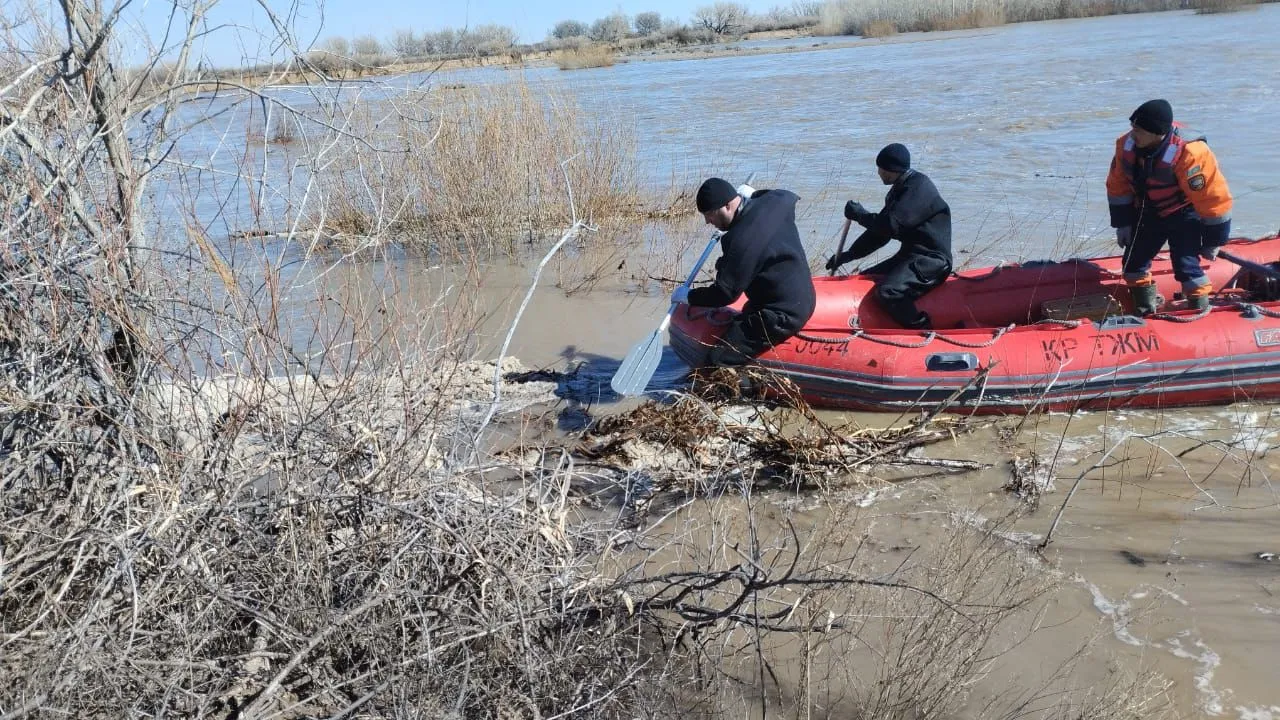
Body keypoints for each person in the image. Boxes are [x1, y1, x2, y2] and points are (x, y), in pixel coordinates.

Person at [673, 177, 816, 367]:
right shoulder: (775, 202)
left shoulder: (741, 241)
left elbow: (725, 293)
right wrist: (754, 194)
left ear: (727, 206)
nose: (707, 221)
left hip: (782, 314)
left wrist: (690, 296)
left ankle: (745, 392)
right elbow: (786, 196)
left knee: (716, 361)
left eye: (709, 214)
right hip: (799, 298)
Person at [1107, 99, 1233, 313]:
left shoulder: (1190, 154)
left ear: (1158, 133)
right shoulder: (1126, 144)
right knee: (1133, 265)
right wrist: (1123, 223)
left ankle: (1199, 308)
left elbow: (1213, 198)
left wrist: (1213, 241)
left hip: (1183, 214)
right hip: (1148, 213)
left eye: (1139, 130)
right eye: (1133, 128)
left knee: (1187, 266)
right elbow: (1117, 186)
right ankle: (1144, 309)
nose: (1133, 134)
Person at [825, 143, 952, 329]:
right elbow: (880, 235)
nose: (878, 173)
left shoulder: (918, 189)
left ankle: (921, 327)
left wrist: (860, 215)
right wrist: (848, 255)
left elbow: (890, 226)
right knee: (863, 279)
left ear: (894, 169)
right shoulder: (898, 190)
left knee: (889, 291)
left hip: (932, 261)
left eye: (882, 168)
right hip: (909, 256)